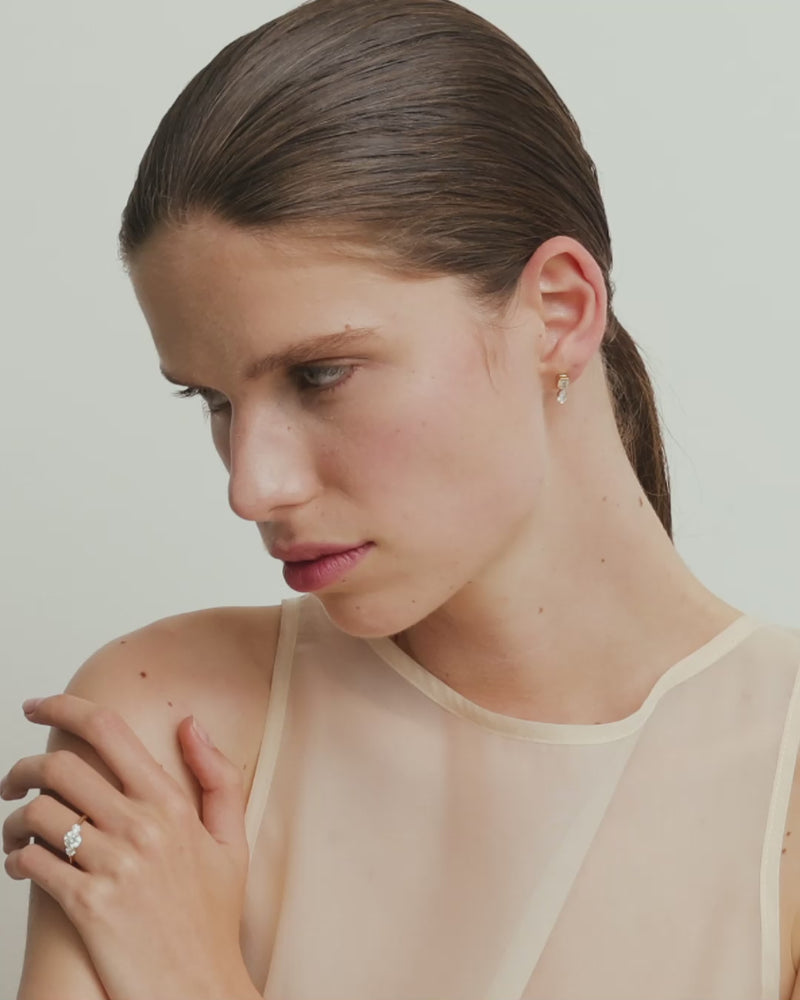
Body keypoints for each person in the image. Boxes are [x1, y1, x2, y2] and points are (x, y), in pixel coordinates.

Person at [3, 0, 799, 997]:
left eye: (320, 375)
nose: (251, 486)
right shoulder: (165, 728)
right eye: (213, 399)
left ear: (558, 312)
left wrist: (197, 975)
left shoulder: (781, 784)